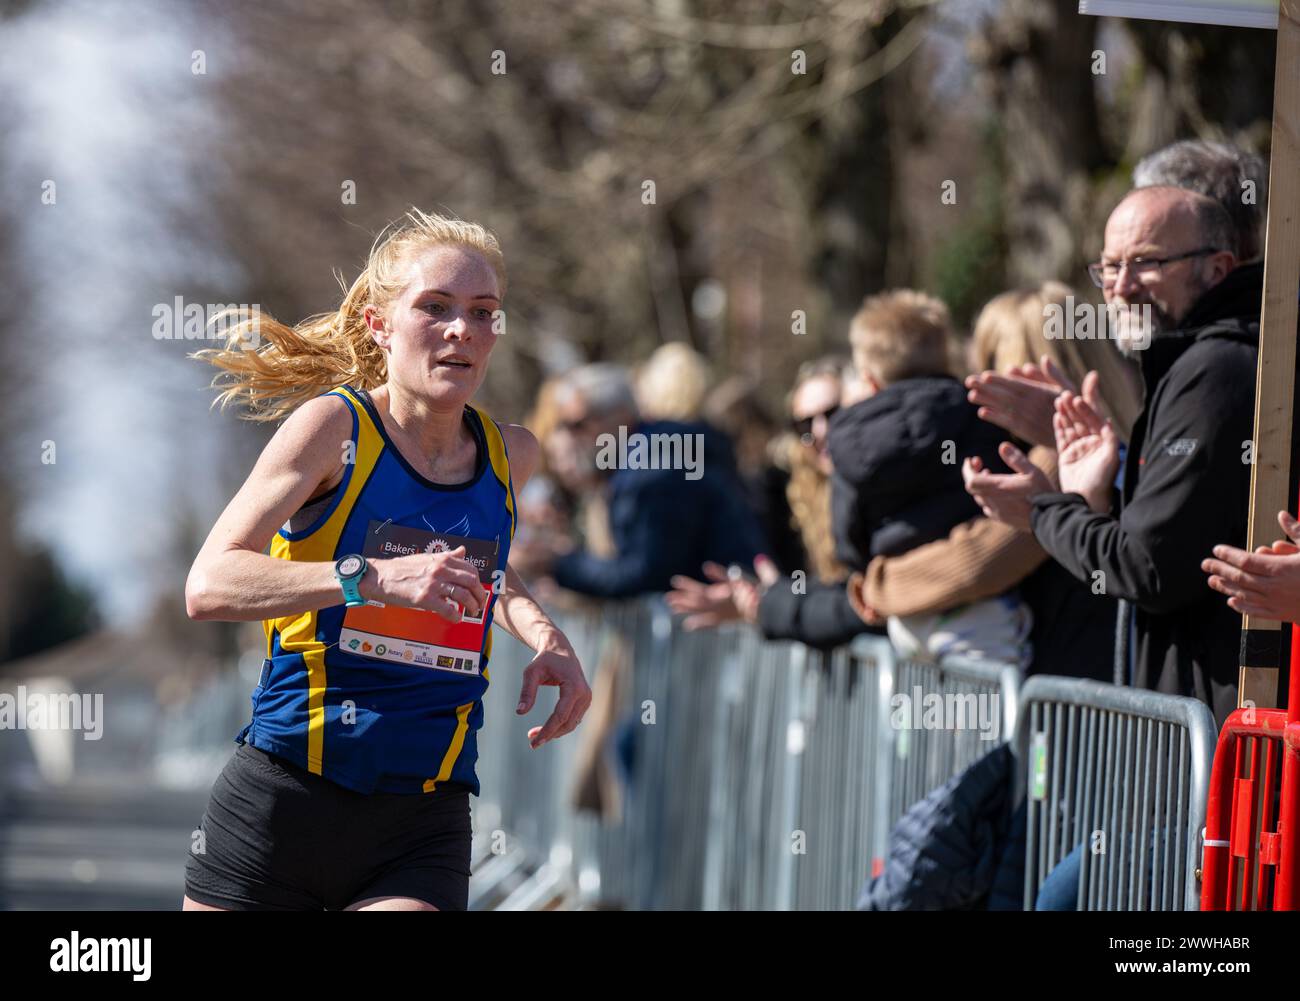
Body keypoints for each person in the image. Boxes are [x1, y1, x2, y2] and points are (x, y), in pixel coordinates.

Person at [180, 209, 591, 912]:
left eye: (483, 313)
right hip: (285, 798)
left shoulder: (509, 454)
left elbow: (487, 568)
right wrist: (367, 577)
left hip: (422, 818)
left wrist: (545, 635)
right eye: (435, 307)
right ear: (379, 324)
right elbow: (210, 581)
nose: (462, 329)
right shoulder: (332, 430)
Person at [964, 184, 1272, 728]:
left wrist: (1046, 509)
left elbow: (1148, 567)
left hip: (1217, 743)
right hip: (1185, 735)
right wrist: (1097, 490)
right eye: (1108, 268)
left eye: (1147, 264)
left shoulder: (1216, 369)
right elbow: (1158, 546)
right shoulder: (1188, 363)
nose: (1121, 288)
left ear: (1218, 268)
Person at [828, 289, 1031, 665]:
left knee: (912, 715)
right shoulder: (978, 415)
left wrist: (865, 569)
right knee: (987, 718)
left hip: (902, 613)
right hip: (976, 609)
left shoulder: (850, 438)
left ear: (869, 378)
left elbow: (846, 533)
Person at [511, 362, 766, 598]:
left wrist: (556, 563)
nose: (568, 438)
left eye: (577, 424)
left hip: (726, 624)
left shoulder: (653, 472)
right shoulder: (644, 461)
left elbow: (643, 574)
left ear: (621, 415)